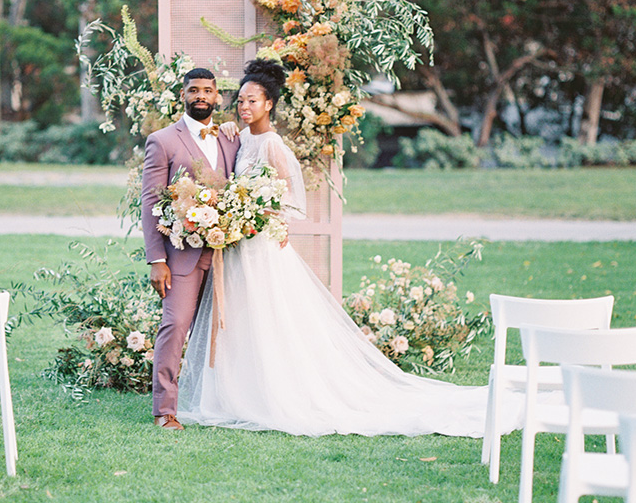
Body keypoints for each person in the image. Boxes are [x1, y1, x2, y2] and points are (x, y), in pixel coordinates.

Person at [176, 58, 522, 437]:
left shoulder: (273, 144)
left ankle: (274, 394)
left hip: (262, 248)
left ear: (269, 104)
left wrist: (259, 214)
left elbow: (291, 200)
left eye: (252, 101)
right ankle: (236, 393)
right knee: (241, 321)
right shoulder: (239, 138)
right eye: (240, 101)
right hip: (240, 249)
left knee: (268, 320)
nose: (244, 108)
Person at [141, 67, 240, 430]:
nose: (201, 95)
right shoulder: (163, 140)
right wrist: (157, 259)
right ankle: (164, 410)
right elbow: (150, 203)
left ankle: (224, 401)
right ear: (182, 95)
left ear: (217, 97)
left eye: (208, 90)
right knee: (176, 325)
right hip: (180, 257)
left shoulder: (231, 139)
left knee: (229, 329)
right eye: (194, 90)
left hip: (225, 256)